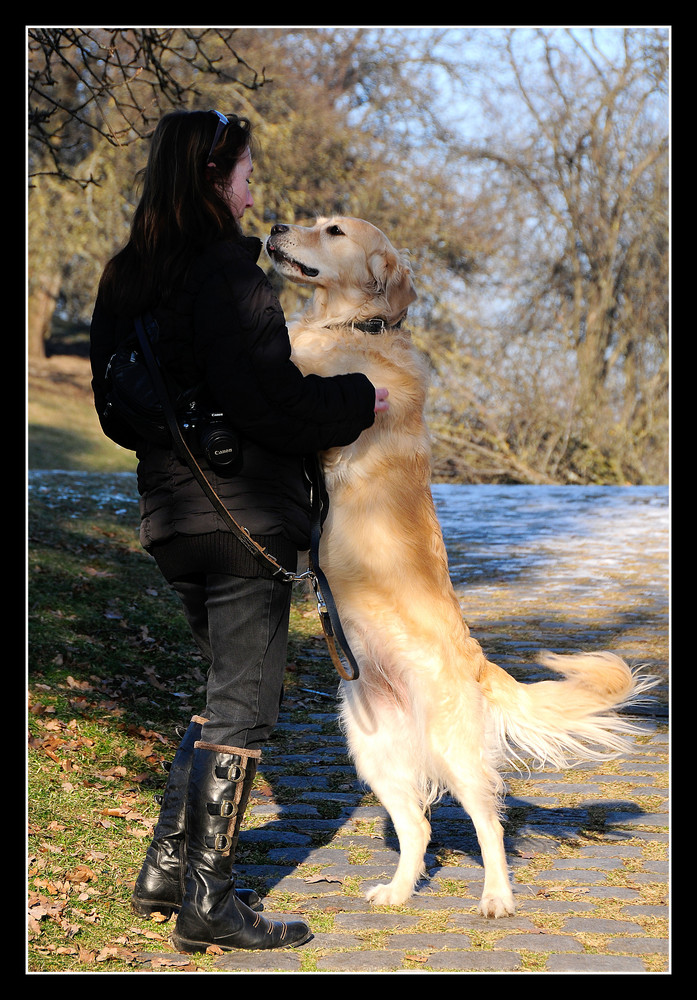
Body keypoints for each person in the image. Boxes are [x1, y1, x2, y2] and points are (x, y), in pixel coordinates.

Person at [90, 109, 387, 953]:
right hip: (242, 517)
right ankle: (210, 904)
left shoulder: (125, 278)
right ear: (214, 179)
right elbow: (273, 404)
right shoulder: (228, 273)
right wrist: (361, 400)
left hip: (172, 521)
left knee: (221, 691)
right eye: (246, 173)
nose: (255, 189)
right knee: (244, 709)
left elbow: (116, 411)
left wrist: (182, 427)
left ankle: (165, 869)